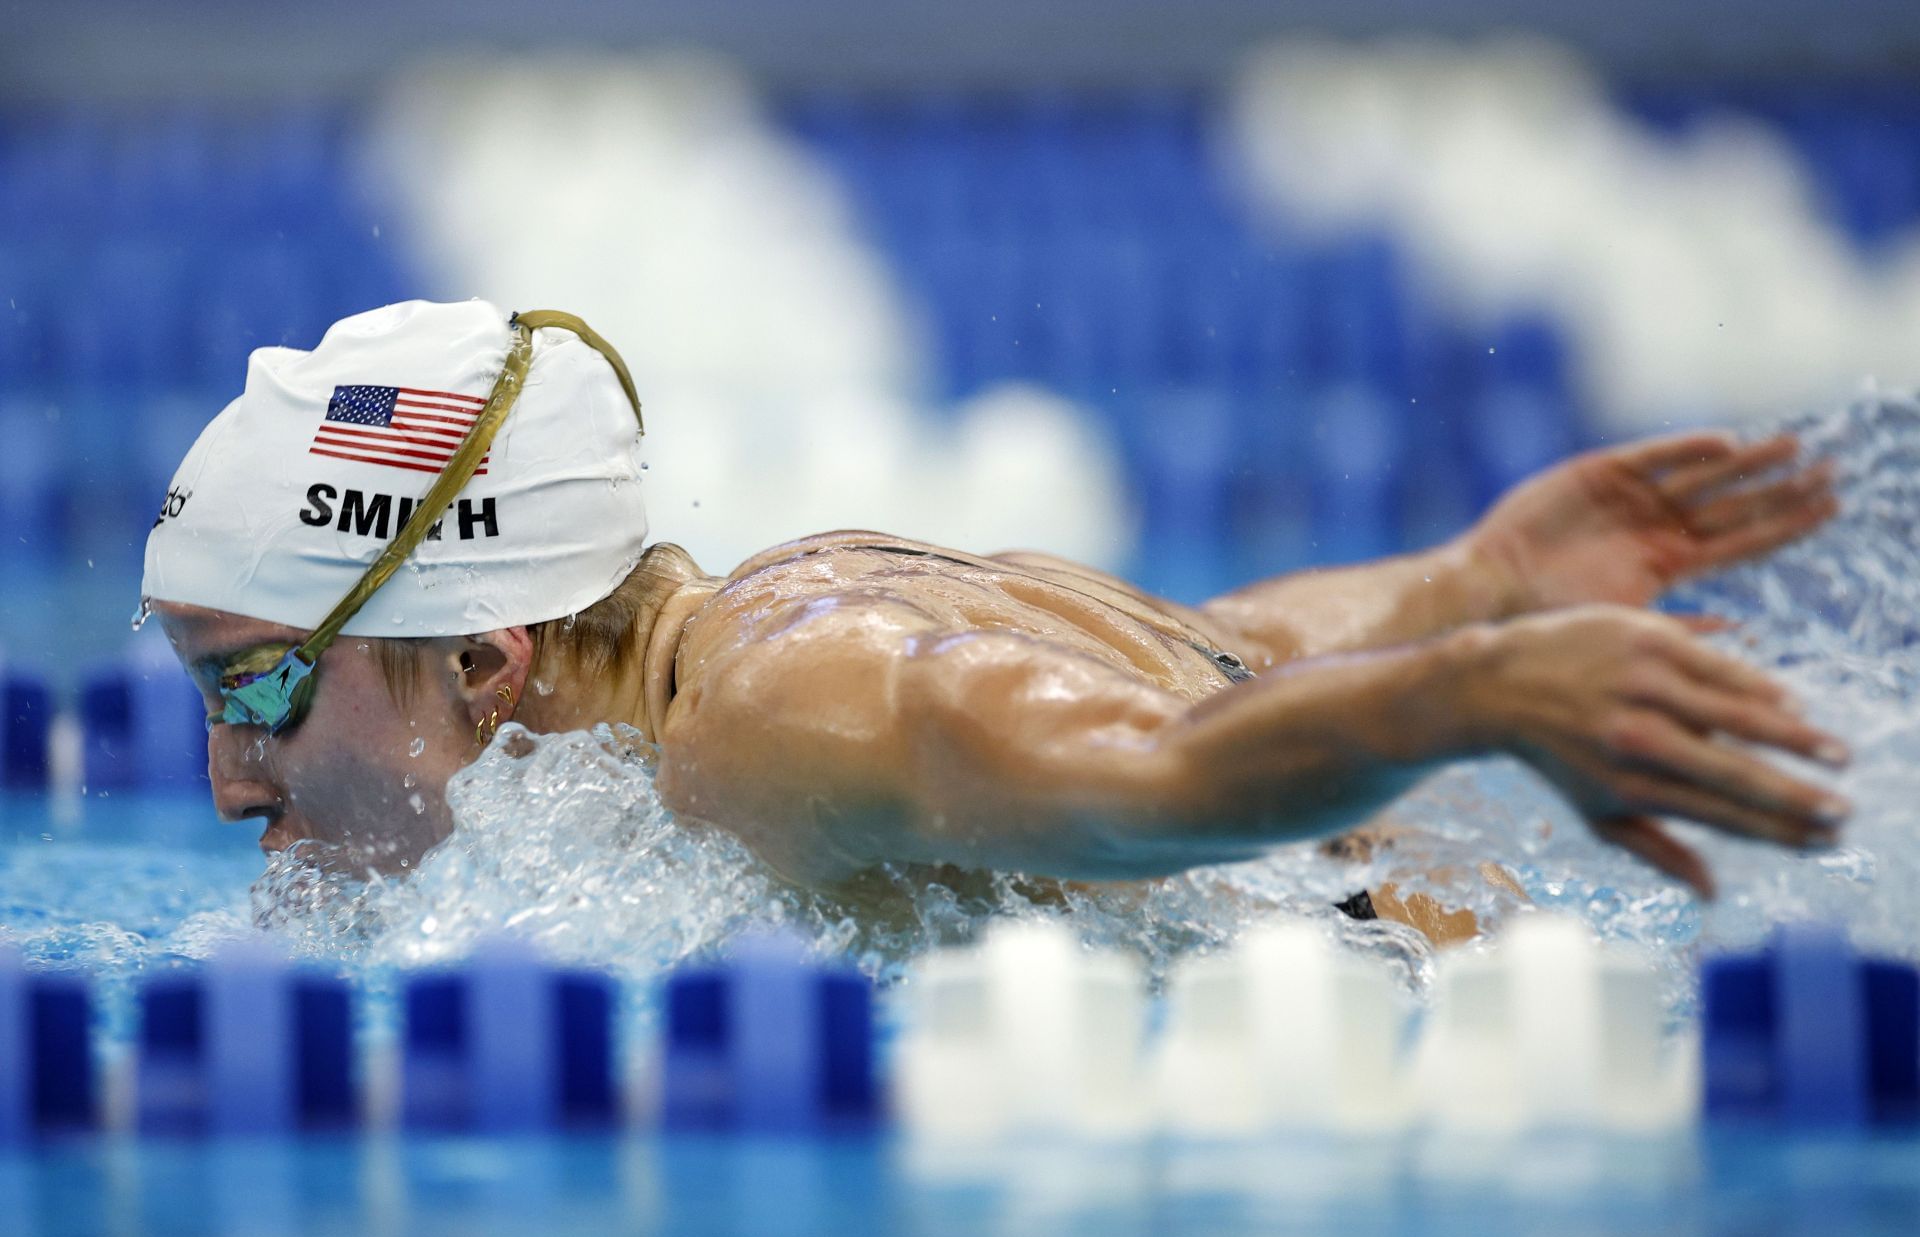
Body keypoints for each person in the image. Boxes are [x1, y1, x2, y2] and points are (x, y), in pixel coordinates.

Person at [144, 300, 1850, 926]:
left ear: (478, 654)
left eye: (260, 684)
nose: (226, 779)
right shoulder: (794, 607)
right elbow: (1227, 647)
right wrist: (1466, 588)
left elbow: (1168, 770)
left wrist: (1467, 689)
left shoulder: (773, 712)